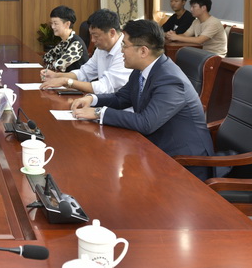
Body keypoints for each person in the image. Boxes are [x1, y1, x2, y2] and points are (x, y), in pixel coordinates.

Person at [71, 19, 214, 180]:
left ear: (143, 51)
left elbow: (146, 123)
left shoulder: (170, 80)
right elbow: (121, 98)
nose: (121, 50)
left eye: (124, 45)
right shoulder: (141, 69)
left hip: (184, 162)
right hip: (155, 148)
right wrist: (92, 99)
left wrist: (98, 113)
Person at [40, 9, 132, 95]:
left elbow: (104, 87)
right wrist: (57, 76)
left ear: (112, 33)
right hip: (103, 100)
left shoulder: (125, 52)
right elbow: (84, 73)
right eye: (91, 35)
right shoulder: (101, 48)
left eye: (96, 36)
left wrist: (67, 81)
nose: (92, 40)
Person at [42, 5, 88, 73]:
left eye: (55, 24)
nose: (52, 27)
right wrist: (54, 62)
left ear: (67, 24)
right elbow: (46, 57)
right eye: (52, 23)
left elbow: (59, 66)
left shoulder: (76, 44)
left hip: (77, 79)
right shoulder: (64, 42)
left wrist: (54, 62)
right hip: (64, 78)